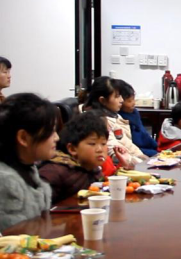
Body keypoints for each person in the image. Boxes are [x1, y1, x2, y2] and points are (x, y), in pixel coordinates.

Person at [0, 93, 57, 230]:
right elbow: (17, 237)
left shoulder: (28, 166)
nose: (57, 138)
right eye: (50, 132)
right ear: (23, 138)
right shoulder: (6, 181)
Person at [38, 111, 109, 204]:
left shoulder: (93, 168)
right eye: (92, 144)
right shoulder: (54, 171)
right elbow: (40, 206)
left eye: (103, 144)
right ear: (72, 149)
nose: (100, 149)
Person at [81, 76, 146, 164]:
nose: (121, 100)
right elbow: (113, 152)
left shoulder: (113, 115)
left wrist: (142, 156)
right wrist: (141, 162)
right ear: (102, 100)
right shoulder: (96, 121)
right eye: (117, 96)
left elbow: (127, 144)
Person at [116, 80, 158, 157]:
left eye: (133, 99)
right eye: (129, 101)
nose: (133, 103)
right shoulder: (120, 118)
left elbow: (144, 134)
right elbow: (131, 146)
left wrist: (157, 146)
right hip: (137, 151)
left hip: (147, 147)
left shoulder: (134, 113)